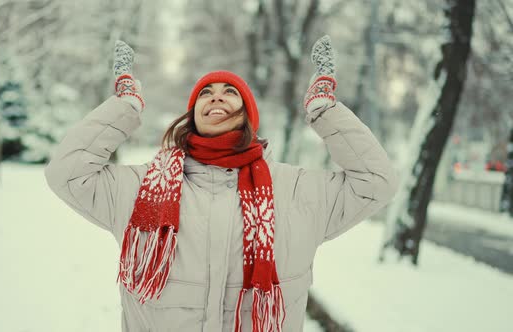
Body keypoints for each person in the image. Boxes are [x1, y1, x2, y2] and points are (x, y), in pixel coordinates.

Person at [44, 36, 399, 332]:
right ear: (193, 114)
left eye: (230, 91)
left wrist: (325, 111)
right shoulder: (140, 189)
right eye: (205, 93)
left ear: (248, 114)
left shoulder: (296, 191)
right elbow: (67, 172)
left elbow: (376, 181)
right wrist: (124, 107)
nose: (216, 96)